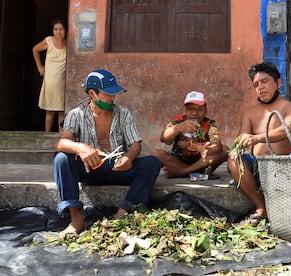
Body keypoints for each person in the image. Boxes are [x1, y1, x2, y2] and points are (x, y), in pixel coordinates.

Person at [53, 69, 161, 237]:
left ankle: (123, 213)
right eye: (107, 94)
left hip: (118, 168)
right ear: (92, 93)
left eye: (114, 94)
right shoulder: (76, 114)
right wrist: (81, 148)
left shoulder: (123, 113)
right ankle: (76, 219)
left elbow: (135, 145)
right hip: (90, 169)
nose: (112, 98)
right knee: (61, 159)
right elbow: (61, 143)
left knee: (152, 163)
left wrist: (129, 157)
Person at [227, 62, 291, 226]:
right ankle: (261, 207)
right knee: (234, 160)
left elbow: (286, 131)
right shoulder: (249, 113)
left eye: (265, 81)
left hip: (288, 169)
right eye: (256, 84)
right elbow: (241, 138)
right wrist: (236, 147)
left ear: (278, 83)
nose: (260, 87)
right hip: (260, 169)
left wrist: (256, 138)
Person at [152, 91, 228, 178]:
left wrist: (206, 150)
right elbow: (163, 138)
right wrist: (177, 128)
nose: (194, 113)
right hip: (179, 161)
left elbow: (217, 146)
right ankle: (198, 172)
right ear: (185, 109)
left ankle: (183, 172)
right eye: (190, 109)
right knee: (155, 154)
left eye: (199, 109)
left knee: (225, 150)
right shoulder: (178, 121)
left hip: (201, 160)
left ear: (205, 111)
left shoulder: (209, 124)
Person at [33, 19, 67, 132]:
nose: (58, 32)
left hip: (62, 83)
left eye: (61, 29)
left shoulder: (69, 44)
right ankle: (46, 135)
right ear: (52, 31)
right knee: (50, 110)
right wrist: (39, 66)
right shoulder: (49, 41)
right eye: (55, 29)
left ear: (65, 30)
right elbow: (35, 49)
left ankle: (61, 137)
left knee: (61, 111)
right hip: (50, 81)